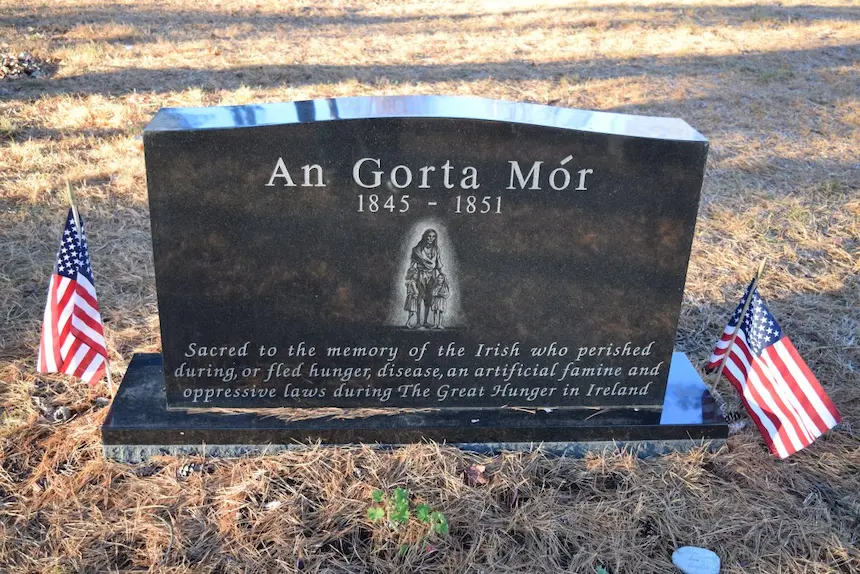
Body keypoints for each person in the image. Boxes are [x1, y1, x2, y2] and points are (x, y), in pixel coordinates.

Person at [409, 229, 443, 328]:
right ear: (425, 236)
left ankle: (425, 322)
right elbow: (413, 264)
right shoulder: (417, 250)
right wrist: (411, 274)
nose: (431, 238)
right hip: (421, 274)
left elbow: (438, 263)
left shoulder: (436, 249)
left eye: (433, 236)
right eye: (429, 236)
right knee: (419, 297)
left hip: (432, 275)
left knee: (429, 298)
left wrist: (442, 274)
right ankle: (418, 322)